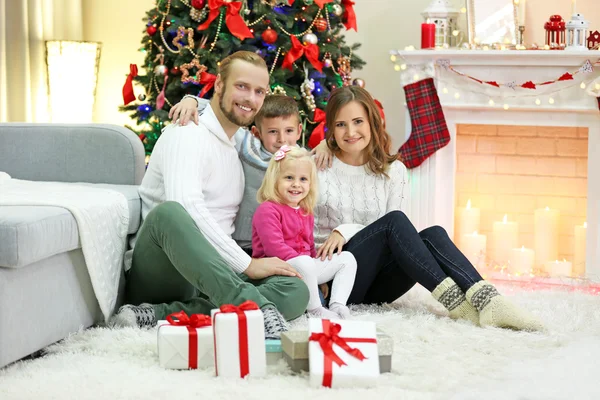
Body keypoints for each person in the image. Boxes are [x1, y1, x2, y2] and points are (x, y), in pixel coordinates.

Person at [311, 85, 544, 331]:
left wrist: (346, 229)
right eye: (340, 125)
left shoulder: (394, 171)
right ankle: (459, 306)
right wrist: (343, 234)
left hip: (379, 285)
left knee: (433, 234)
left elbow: (390, 236)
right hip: (336, 282)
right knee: (395, 221)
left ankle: (489, 300)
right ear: (331, 129)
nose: (350, 132)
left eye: (358, 121)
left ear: (372, 122)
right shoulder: (317, 166)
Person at [110, 51, 309, 339]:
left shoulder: (237, 144)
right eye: (241, 86)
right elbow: (187, 207)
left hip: (215, 277)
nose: (250, 98)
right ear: (218, 86)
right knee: (171, 212)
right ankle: (255, 310)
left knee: (296, 288)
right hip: (166, 270)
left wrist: (328, 148)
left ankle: (160, 314)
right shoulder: (187, 133)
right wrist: (246, 264)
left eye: (259, 91)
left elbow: (287, 156)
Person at [173, 93, 330, 302]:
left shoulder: (302, 159)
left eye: (289, 131)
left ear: (299, 130)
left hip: (285, 248)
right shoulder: (249, 147)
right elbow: (222, 113)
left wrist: (327, 144)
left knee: (311, 294)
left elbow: (330, 151)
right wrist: (191, 100)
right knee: (266, 287)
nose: (282, 139)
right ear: (257, 132)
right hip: (245, 247)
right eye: (273, 132)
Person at [252, 145, 357, 319]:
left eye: (303, 179)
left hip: (304, 266)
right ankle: (315, 310)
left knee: (347, 259)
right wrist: (309, 270)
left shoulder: (305, 211)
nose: (296, 184)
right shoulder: (268, 209)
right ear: (274, 179)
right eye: (289, 178)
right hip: (276, 268)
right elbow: (274, 249)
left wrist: (316, 275)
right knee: (306, 262)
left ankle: (338, 305)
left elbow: (309, 247)